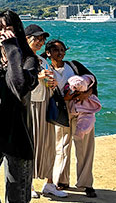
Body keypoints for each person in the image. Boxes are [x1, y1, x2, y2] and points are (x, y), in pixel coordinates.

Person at [0, 10, 39, 203]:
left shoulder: (29, 61)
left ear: (17, 31)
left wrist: (12, 49)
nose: (3, 32)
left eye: (8, 28)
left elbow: (19, 86)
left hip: (18, 136)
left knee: (17, 193)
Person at [45, 39, 98, 198]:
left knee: (85, 147)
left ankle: (86, 184)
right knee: (61, 145)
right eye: (56, 50)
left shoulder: (73, 65)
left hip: (82, 110)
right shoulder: (46, 70)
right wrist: (65, 99)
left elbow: (92, 79)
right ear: (48, 53)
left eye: (62, 50)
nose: (60, 53)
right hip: (61, 111)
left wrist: (87, 94)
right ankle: (61, 180)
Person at [24, 24, 67, 198]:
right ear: (26, 39)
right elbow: (18, 83)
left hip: (44, 104)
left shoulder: (42, 61)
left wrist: (52, 83)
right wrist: (38, 77)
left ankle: (49, 183)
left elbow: (48, 81)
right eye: (37, 39)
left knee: (48, 145)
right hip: (30, 105)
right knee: (32, 145)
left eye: (42, 39)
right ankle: (29, 185)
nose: (40, 42)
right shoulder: (21, 58)